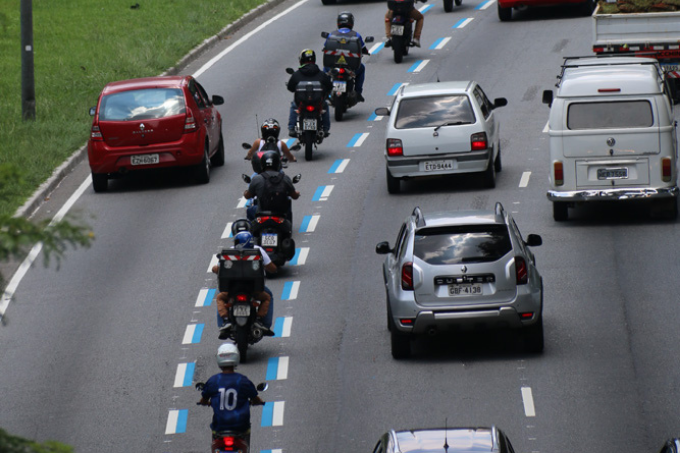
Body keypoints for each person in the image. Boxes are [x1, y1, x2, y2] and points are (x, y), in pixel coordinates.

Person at [212, 228, 277, 339]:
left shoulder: (229, 252)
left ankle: (225, 322)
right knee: (267, 297)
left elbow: (216, 269)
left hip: (231, 290)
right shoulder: (258, 250)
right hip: (254, 290)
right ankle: (262, 322)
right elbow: (272, 268)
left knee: (220, 298)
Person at [198, 343, 264, 449]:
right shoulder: (242, 380)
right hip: (241, 427)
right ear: (236, 358)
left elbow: (204, 399)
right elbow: (255, 398)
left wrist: (205, 402)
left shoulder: (213, 381)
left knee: (215, 440)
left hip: (219, 427)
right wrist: (259, 401)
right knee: (246, 436)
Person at [323, 11, 370, 102]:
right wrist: (366, 52)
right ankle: (358, 92)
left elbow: (325, 47)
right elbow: (364, 48)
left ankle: (325, 91)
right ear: (351, 22)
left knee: (325, 69)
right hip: (350, 68)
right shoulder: (356, 35)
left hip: (334, 66)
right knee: (362, 68)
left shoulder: (332, 34)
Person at [287, 49, 333, 138]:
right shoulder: (321, 74)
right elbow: (329, 86)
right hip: (317, 102)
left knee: (293, 106)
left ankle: (291, 127)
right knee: (325, 106)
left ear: (301, 60)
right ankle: (325, 128)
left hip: (301, 102)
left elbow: (290, 88)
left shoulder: (297, 74)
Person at [244, 151, 300, 222]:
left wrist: (245, 192)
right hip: (281, 213)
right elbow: (295, 196)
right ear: (278, 163)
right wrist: (297, 193)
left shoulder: (256, 178)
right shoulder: (285, 178)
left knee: (249, 211)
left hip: (262, 213)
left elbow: (247, 196)